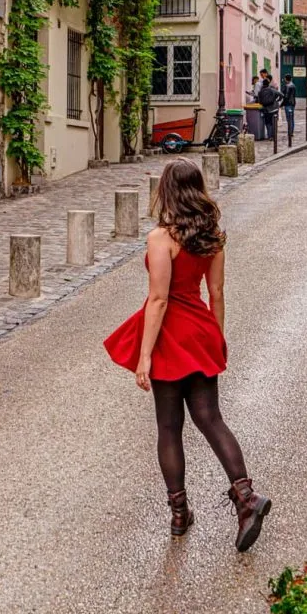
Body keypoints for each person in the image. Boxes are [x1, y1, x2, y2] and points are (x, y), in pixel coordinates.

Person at [104, 159, 271, 551]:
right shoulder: (211, 236)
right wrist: (216, 335)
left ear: (167, 191)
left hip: (169, 335)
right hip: (199, 330)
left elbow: (159, 299)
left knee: (168, 427)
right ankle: (246, 498)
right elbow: (216, 293)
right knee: (210, 418)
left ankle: (179, 514)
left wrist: (144, 356)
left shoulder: (160, 239)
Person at [258, 75, 282, 140]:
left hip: (266, 109)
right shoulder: (272, 90)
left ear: (263, 84)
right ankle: (274, 136)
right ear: (268, 83)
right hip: (274, 108)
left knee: (268, 123)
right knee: (274, 122)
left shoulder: (260, 92)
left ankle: (269, 136)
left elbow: (259, 101)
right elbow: (281, 95)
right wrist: (277, 100)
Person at [281, 74, 297, 138]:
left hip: (288, 104)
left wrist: (281, 104)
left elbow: (286, 97)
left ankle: (290, 133)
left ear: (286, 79)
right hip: (293, 103)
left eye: (285, 78)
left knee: (289, 119)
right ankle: (291, 132)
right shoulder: (293, 85)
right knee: (292, 118)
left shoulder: (287, 86)